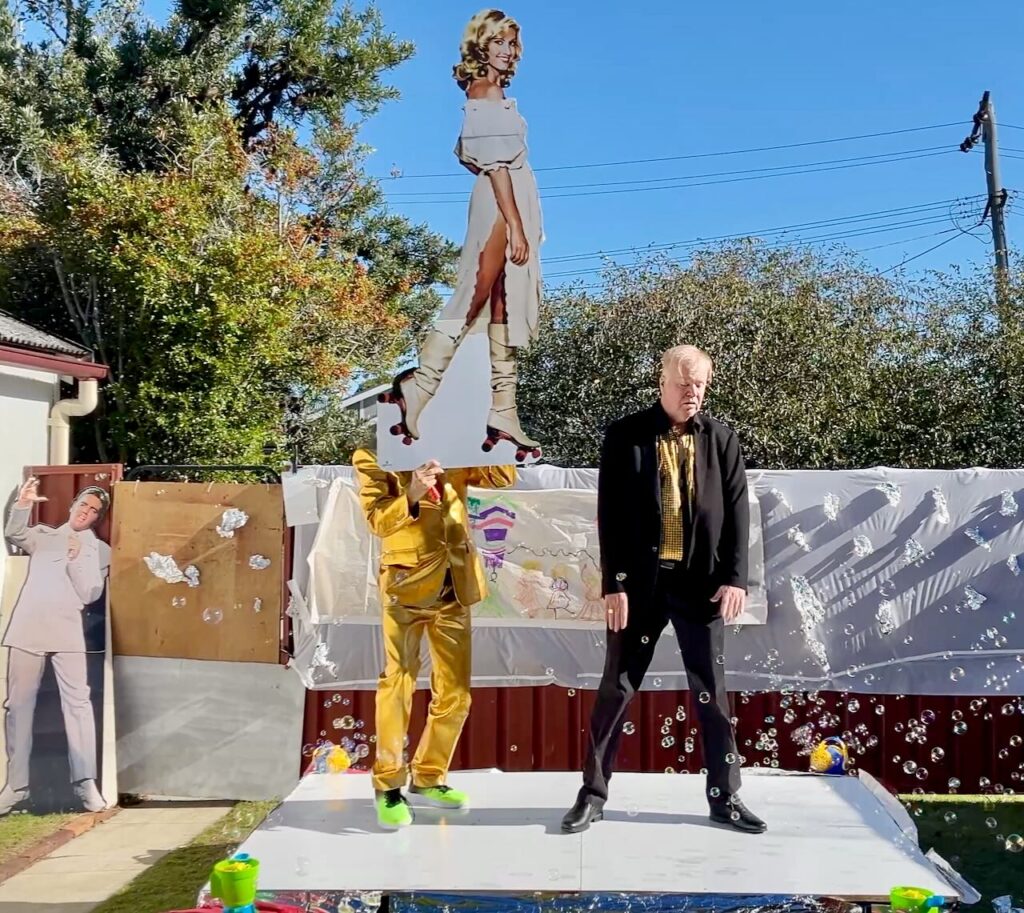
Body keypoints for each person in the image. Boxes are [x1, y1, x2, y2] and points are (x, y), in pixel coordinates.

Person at [560, 345, 766, 835]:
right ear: (663, 383)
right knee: (617, 687)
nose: (692, 393)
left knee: (712, 694)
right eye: (683, 384)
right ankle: (592, 795)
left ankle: (726, 797)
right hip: (640, 587)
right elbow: (609, 515)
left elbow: (738, 512)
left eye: (699, 385)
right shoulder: (626, 435)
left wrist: (735, 577)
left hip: (701, 586)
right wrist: (615, 584)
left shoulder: (721, 438)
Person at [380, 8, 543, 460]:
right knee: (473, 296)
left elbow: (475, 155)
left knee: (502, 301)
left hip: (508, 197)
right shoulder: (484, 92)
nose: (509, 52)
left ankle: (504, 408)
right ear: (481, 47)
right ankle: (420, 385)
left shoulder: (493, 96)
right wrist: (514, 225)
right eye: (499, 43)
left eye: (512, 43)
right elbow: (492, 165)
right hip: (499, 203)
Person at [352, 449, 515, 829]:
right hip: (404, 586)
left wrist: (499, 435)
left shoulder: (457, 445)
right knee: (398, 683)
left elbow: (501, 479)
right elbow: (378, 521)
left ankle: (428, 777)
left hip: (454, 585)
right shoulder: (373, 455)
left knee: (456, 692)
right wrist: (411, 491)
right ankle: (388, 785)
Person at [0, 478, 111, 815]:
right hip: (28, 629)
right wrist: (23, 503)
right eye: (83, 505)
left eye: (93, 511)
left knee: (78, 705)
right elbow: (14, 533)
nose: (85, 513)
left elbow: (90, 593)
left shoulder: (99, 551)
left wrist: (77, 558)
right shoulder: (45, 536)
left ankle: (86, 784)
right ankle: (15, 787)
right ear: (73, 506)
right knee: (18, 706)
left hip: (67, 633)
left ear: (96, 518)